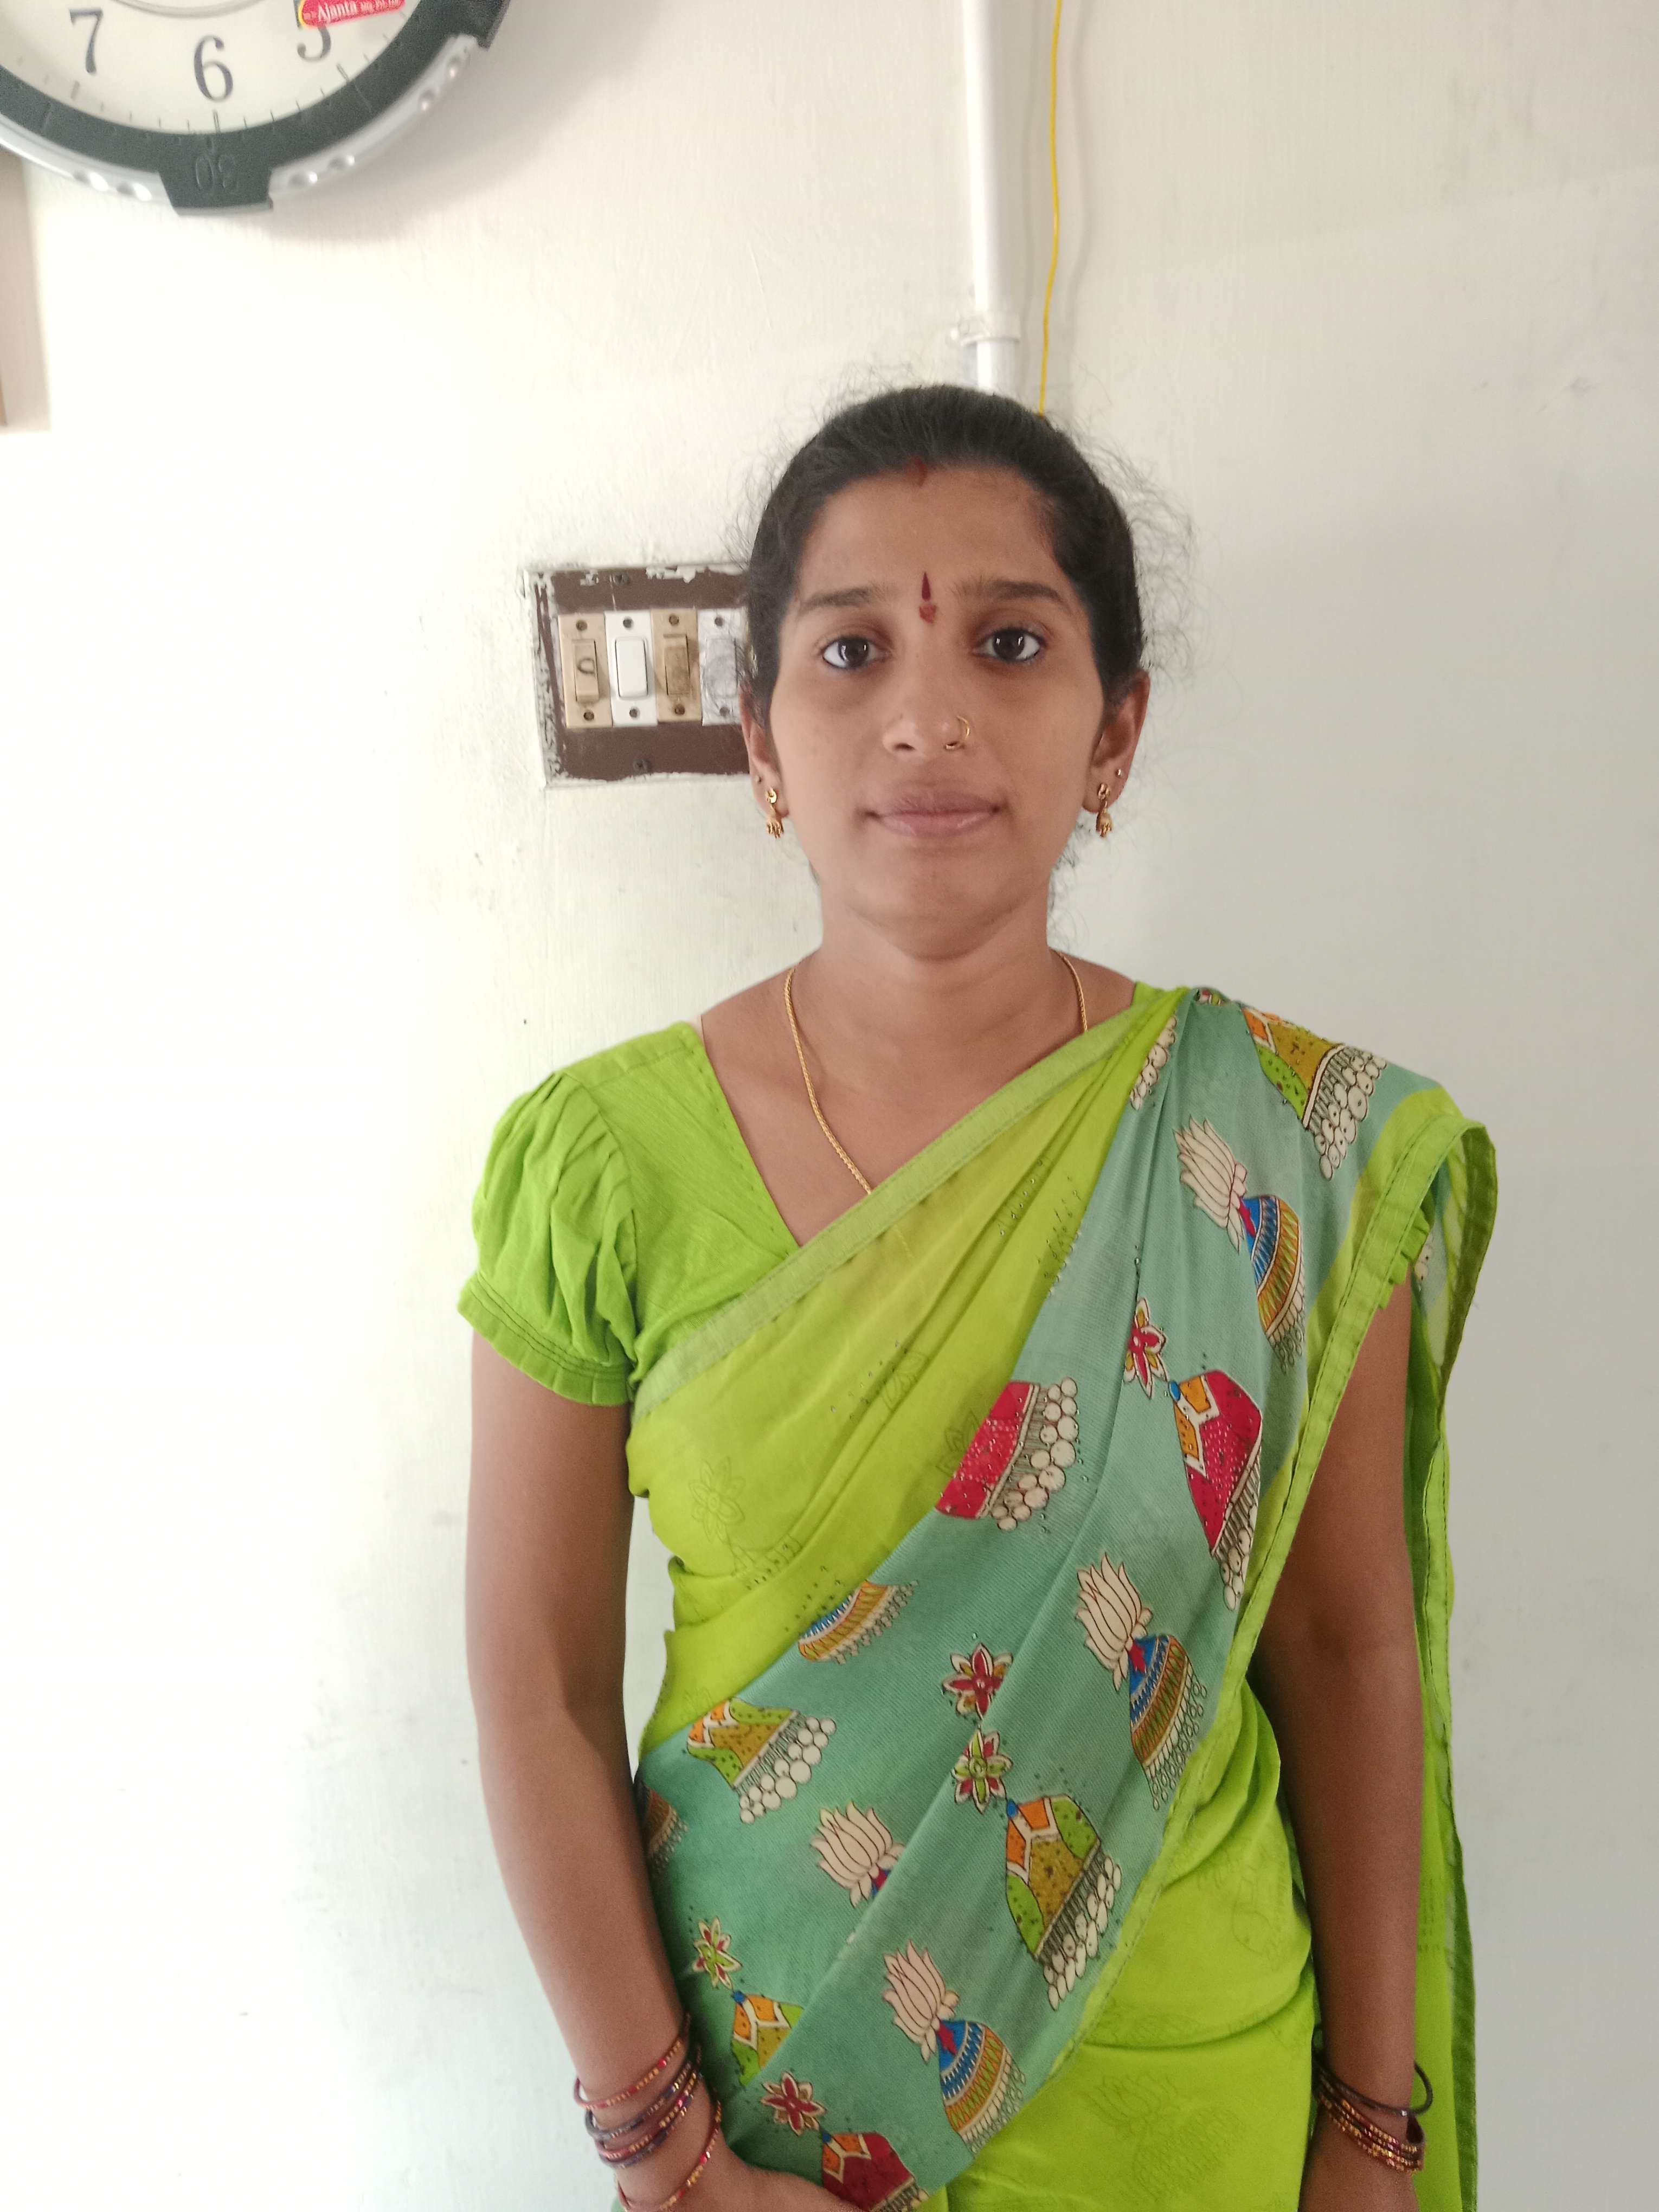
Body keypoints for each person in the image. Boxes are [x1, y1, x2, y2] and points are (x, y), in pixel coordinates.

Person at [459, 385, 1496, 2212]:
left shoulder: (1271, 1145)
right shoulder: (601, 1162)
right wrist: (668, 2159)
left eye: (1008, 645)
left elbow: (1346, 1654)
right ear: (761, 740)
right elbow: (535, 1683)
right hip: (768, 2115)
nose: (925, 716)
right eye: (849, 650)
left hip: (1191, 2105)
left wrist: (1368, 2129)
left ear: (1114, 730)